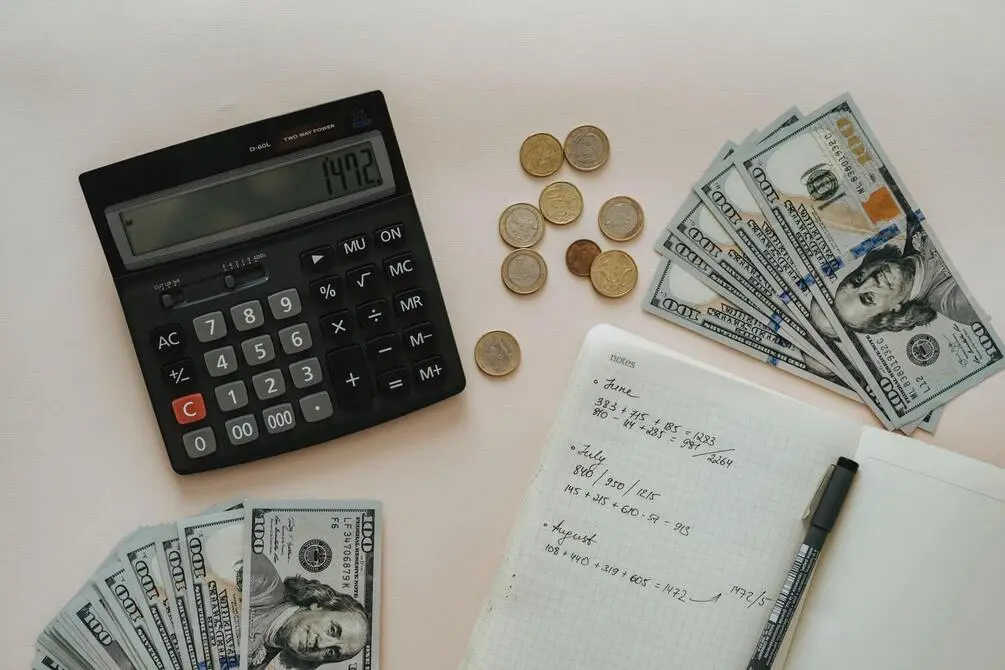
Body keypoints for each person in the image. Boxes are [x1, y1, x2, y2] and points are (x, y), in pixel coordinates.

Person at [829, 226, 980, 334]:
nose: (870, 280)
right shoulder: (957, 302)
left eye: (858, 279)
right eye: (868, 297)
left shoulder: (912, 224)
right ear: (892, 311)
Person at [243, 552, 369, 670]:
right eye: (332, 630)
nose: (321, 645)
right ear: (319, 605)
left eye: (332, 652)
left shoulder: (261, 663)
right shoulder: (260, 580)